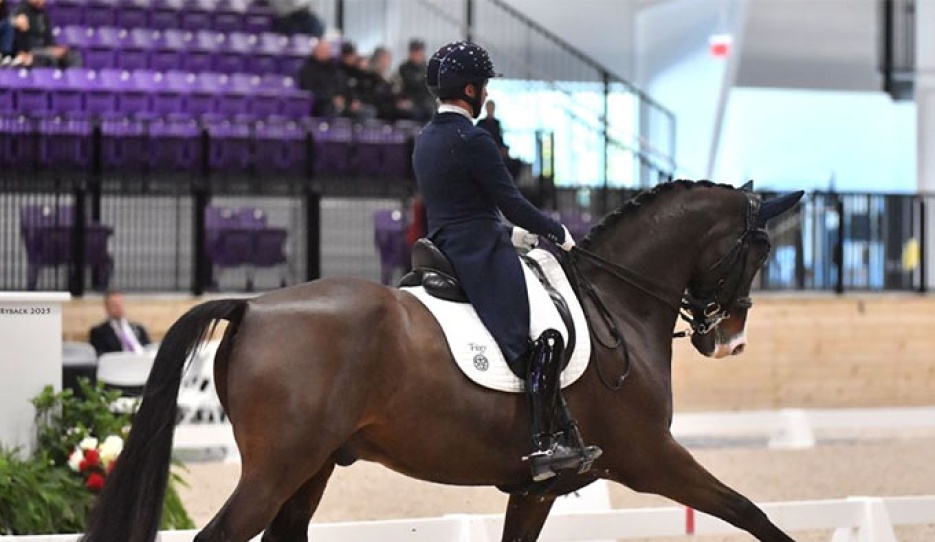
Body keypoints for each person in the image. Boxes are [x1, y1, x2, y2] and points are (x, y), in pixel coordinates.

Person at [412, 40, 601, 482]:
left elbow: (458, 205)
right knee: (547, 333)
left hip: (446, 242)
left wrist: (510, 233)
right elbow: (512, 203)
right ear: (471, 90)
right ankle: (544, 443)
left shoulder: (425, 138)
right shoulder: (474, 139)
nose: (486, 93)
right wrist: (558, 233)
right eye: (484, 86)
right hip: (478, 252)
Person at [12, 0, 81, 68]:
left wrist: (55, 48)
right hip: (31, 51)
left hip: (45, 50)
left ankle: (74, 75)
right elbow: (10, 21)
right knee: (49, 57)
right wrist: (15, 21)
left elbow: (48, 37)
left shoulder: (43, 13)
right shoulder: (21, 10)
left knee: (74, 56)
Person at [88, 290, 151, 356]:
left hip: (143, 359)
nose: (119, 308)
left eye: (120, 304)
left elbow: (149, 348)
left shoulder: (139, 329)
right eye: (114, 305)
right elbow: (101, 355)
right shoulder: (99, 332)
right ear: (107, 308)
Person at [297, 39, 346, 117]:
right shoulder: (307, 69)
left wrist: (341, 96)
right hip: (317, 103)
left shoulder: (333, 68)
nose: (324, 53)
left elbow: (340, 84)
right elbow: (309, 89)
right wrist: (331, 98)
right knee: (329, 109)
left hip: (335, 101)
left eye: (326, 51)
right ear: (315, 51)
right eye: (322, 50)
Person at [397, 38, 434, 122]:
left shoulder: (426, 67)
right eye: (415, 52)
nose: (418, 55)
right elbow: (411, 83)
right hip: (411, 101)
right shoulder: (404, 68)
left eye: (420, 52)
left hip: (426, 102)